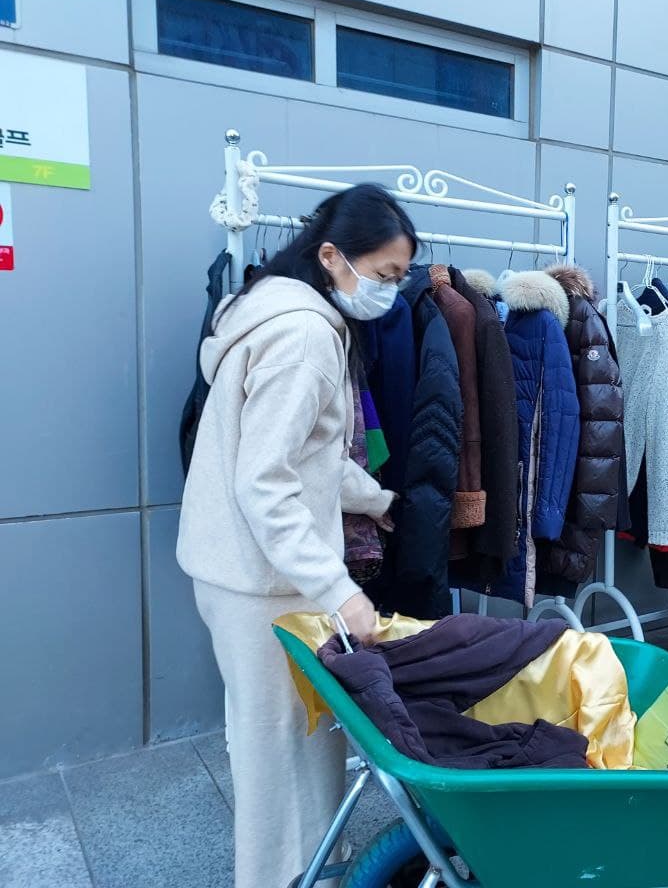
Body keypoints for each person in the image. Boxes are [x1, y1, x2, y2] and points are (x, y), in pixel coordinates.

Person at [177, 183, 414, 887]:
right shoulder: (307, 336)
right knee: (277, 748)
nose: (392, 293)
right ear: (333, 256)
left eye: (401, 279)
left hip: (248, 569)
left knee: (296, 736)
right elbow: (267, 482)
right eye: (385, 276)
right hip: (262, 581)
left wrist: (378, 500)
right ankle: (281, 876)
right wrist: (339, 590)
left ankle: (318, 865)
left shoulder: (277, 314)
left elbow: (310, 458)